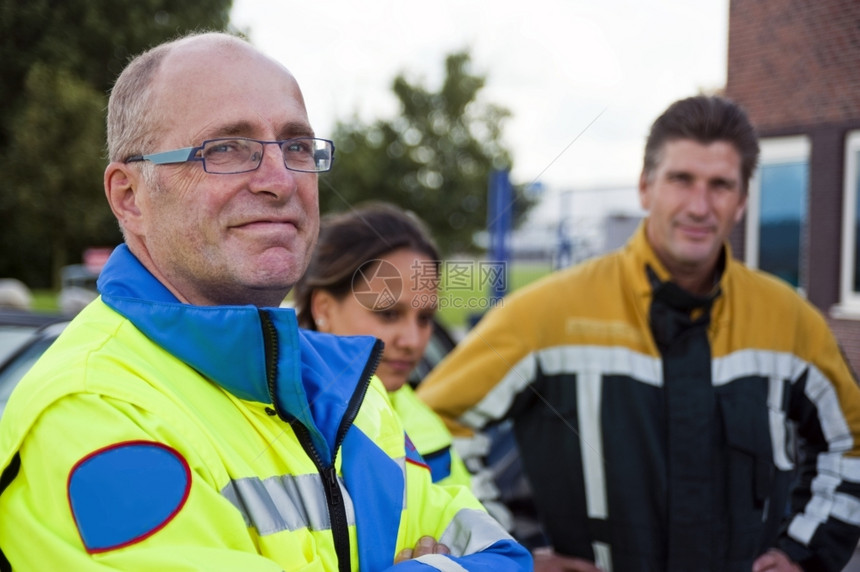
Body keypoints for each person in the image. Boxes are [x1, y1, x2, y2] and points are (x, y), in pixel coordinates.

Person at [0, 32, 531, 571]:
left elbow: (505, 556)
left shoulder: (352, 392)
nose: (280, 181)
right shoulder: (94, 406)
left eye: (297, 146)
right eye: (226, 148)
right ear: (129, 196)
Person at [416, 95, 860, 572]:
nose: (699, 206)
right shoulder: (548, 313)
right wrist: (508, 555)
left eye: (720, 185)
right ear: (646, 187)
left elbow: (851, 444)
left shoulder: (790, 321)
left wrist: (803, 554)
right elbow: (428, 428)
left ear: (743, 200)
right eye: (681, 180)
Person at [292, 202, 473, 489]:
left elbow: (470, 521)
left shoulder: (421, 418)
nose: (412, 341)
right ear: (323, 308)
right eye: (388, 314)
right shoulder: (273, 417)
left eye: (425, 318)